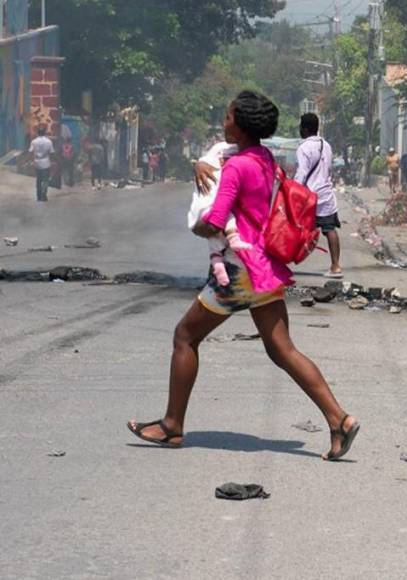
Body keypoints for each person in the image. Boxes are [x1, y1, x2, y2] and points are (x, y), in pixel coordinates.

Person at [127, 90, 360, 460]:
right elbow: (217, 157)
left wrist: (197, 224)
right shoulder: (264, 158)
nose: (223, 123)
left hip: (238, 272)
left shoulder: (236, 167)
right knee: (282, 350)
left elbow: (216, 220)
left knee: (184, 337)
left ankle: (172, 425)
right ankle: (339, 419)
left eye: (228, 117)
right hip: (265, 267)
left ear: (242, 123)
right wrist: (196, 165)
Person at [186, 141, 252, 286]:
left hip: (239, 223)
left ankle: (217, 276)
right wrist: (200, 165)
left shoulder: (250, 157)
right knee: (218, 238)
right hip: (224, 216)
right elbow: (205, 163)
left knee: (217, 243)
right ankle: (216, 277)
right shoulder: (221, 153)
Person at [295, 113, 344, 278]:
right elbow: (329, 169)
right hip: (326, 195)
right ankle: (336, 266)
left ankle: (282, 261)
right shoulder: (327, 145)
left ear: (305, 129)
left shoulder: (303, 148)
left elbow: (302, 172)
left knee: (293, 227)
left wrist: (293, 189)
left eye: (301, 126)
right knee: (330, 229)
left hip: (309, 196)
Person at [29, 125, 54, 202]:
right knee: (46, 180)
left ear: (38, 133)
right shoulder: (49, 141)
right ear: (45, 133)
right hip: (46, 162)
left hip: (37, 163)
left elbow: (30, 152)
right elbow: (52, 152)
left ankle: (38, 196)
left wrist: (30, 161)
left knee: (39, 179)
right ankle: (44, 194)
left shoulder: (34, 141)